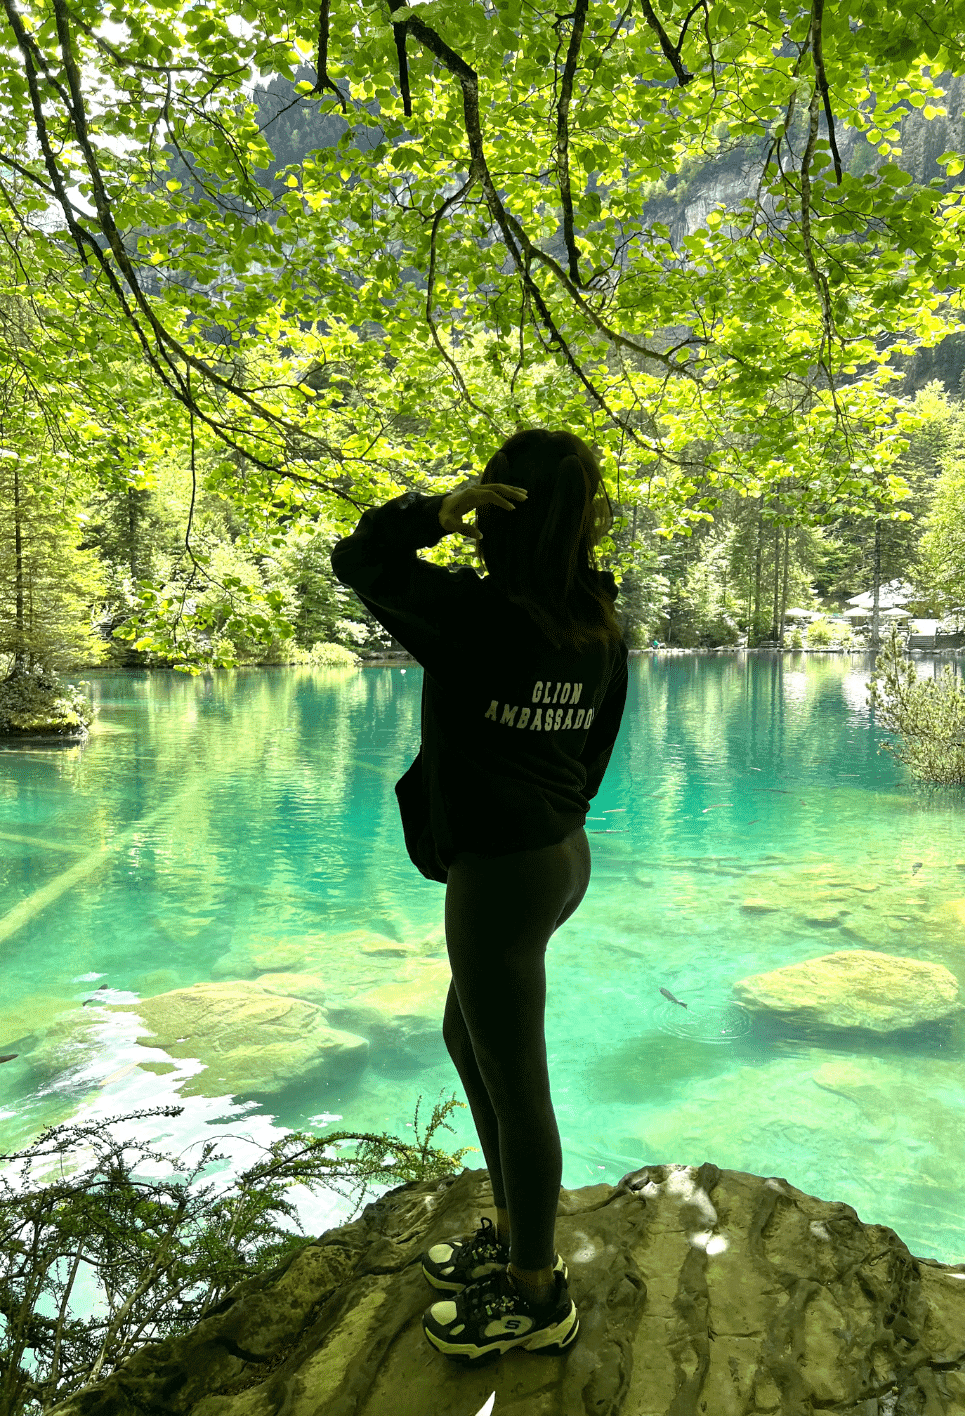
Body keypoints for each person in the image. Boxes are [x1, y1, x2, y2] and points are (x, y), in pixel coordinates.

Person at [330, 427, 629, 1363]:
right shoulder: (597, 624)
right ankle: (512, 1233)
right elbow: (593, 755)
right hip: (560, 856)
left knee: (516, 1083)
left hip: (503, 875)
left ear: (498, 511)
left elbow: (359, 559)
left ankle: (536, 1293)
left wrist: (435, 511)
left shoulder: (475, 616)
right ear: (584, 520)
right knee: (469, 1039)